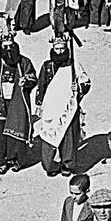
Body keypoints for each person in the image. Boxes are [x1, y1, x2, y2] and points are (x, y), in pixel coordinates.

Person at [35, 35, 91, 177]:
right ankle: (51, 165)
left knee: (68, 138)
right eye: (57, 49)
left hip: (68, 108)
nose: (59, 52)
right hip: (50, 109)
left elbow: (86, 82)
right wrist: (38, 104)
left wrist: (77, 87)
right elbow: (41, 86)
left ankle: (67, 164)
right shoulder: (47, 66)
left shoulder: (74, 66)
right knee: (49, 136)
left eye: (62, 49)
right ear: (52, 49)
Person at [0, 28, 37, 174]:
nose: (8, 49)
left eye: (11, 46)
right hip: (0, 103)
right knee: (0, 133)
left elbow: (33, 78)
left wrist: (26, 80)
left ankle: (15, 159)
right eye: (5, 47)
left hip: (17, 102)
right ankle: (1, 161)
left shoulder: (24, 61)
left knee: (16, 130)